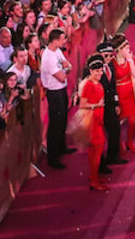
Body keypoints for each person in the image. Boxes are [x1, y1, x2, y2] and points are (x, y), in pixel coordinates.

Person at [41, 28, 73, 169]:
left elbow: (67, 66)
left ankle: (62, 147)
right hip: (54, 93)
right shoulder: (48, 57)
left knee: (63, 119)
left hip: (61, 90)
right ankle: (53, 157)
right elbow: (62, 76)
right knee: (56, 124)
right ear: (55, 40)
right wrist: (66, 69)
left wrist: (66, 69)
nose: (65, 41)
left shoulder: (57, 51)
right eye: (62, 39)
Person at [80, 54, 110, 191]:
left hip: (98, 121)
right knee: (96, 151)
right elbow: (82, 104)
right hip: (92, 122)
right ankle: (94, 180)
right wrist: (96, 105)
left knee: (95, 151)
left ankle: (94, 176)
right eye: (97, 71)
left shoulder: (97, 83)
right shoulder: (89, 85)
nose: (100, 73)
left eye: (101, 71)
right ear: (91, 71)